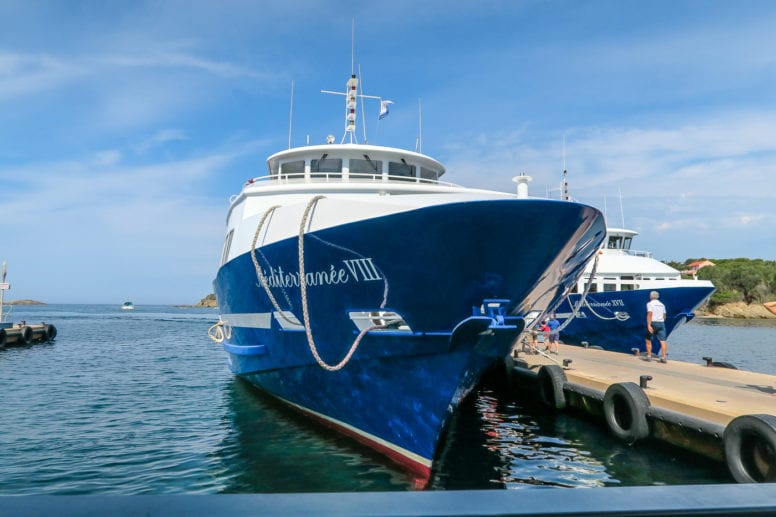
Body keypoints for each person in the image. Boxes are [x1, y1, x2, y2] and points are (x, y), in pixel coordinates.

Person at [645, 290, 668, 363]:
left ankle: (649, 356)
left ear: (651, 296)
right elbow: (664, 315)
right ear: (657, 297)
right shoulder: (662, 304)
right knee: (663, 341)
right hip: (661, 323)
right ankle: (664, 357)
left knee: (648, 339)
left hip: (653, 322)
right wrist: (661, 320)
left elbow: (649, 314)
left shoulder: (650, 304)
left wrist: (649, 325)